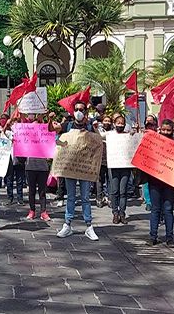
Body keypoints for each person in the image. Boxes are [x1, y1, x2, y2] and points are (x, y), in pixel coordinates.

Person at [56, 100, 99, 241]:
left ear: (85, 112)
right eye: (76, 109)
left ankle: (89, 226)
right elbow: (54, 133)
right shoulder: (67, 126)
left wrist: (95, 129)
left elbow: (98, 142)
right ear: (73, 112)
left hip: (84, 168)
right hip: (70, 168)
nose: (79, 112)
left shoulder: (90, 127)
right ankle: (67, 224)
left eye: (81, 109)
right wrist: (51, 122)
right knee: (71, 197)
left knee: (85, 198)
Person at [147, 119, 174, 247]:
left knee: (167, 209)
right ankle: (152, 236)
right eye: (164, 130)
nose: (166, 132)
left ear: (173, 131)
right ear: (160, 130)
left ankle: (169, 238)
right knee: (155, 209)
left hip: (170, 183)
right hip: (155, 181)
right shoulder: (154, 143)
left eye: (169, 130)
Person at [108, 115, 132, 224]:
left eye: (122, 123)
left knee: (123, 191)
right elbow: (98, 136)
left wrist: (134, 135)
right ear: (114, 124)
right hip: (114, 166)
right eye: (118, 123)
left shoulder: (127, 135)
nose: (120, 125)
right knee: (114, 191)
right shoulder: (110, 135)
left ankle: (122, 212)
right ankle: (115, 213)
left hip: (125, 166)